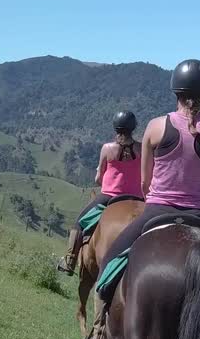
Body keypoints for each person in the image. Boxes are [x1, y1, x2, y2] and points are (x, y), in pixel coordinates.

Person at [88, 59, 200, 339]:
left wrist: (158, 198)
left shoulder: (155, 127)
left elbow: (145, 182)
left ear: (176, 90)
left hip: (156, 210)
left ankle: (99, 334)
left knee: (109, 265)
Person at [56, 110, 143, 275]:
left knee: (80, 222)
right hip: (137, 198)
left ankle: (69, 261)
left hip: (109, 196)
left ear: (115, 127)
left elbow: (98, 178)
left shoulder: (107, 149)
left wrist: (108, 182)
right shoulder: (141, 149)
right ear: (134, 128)